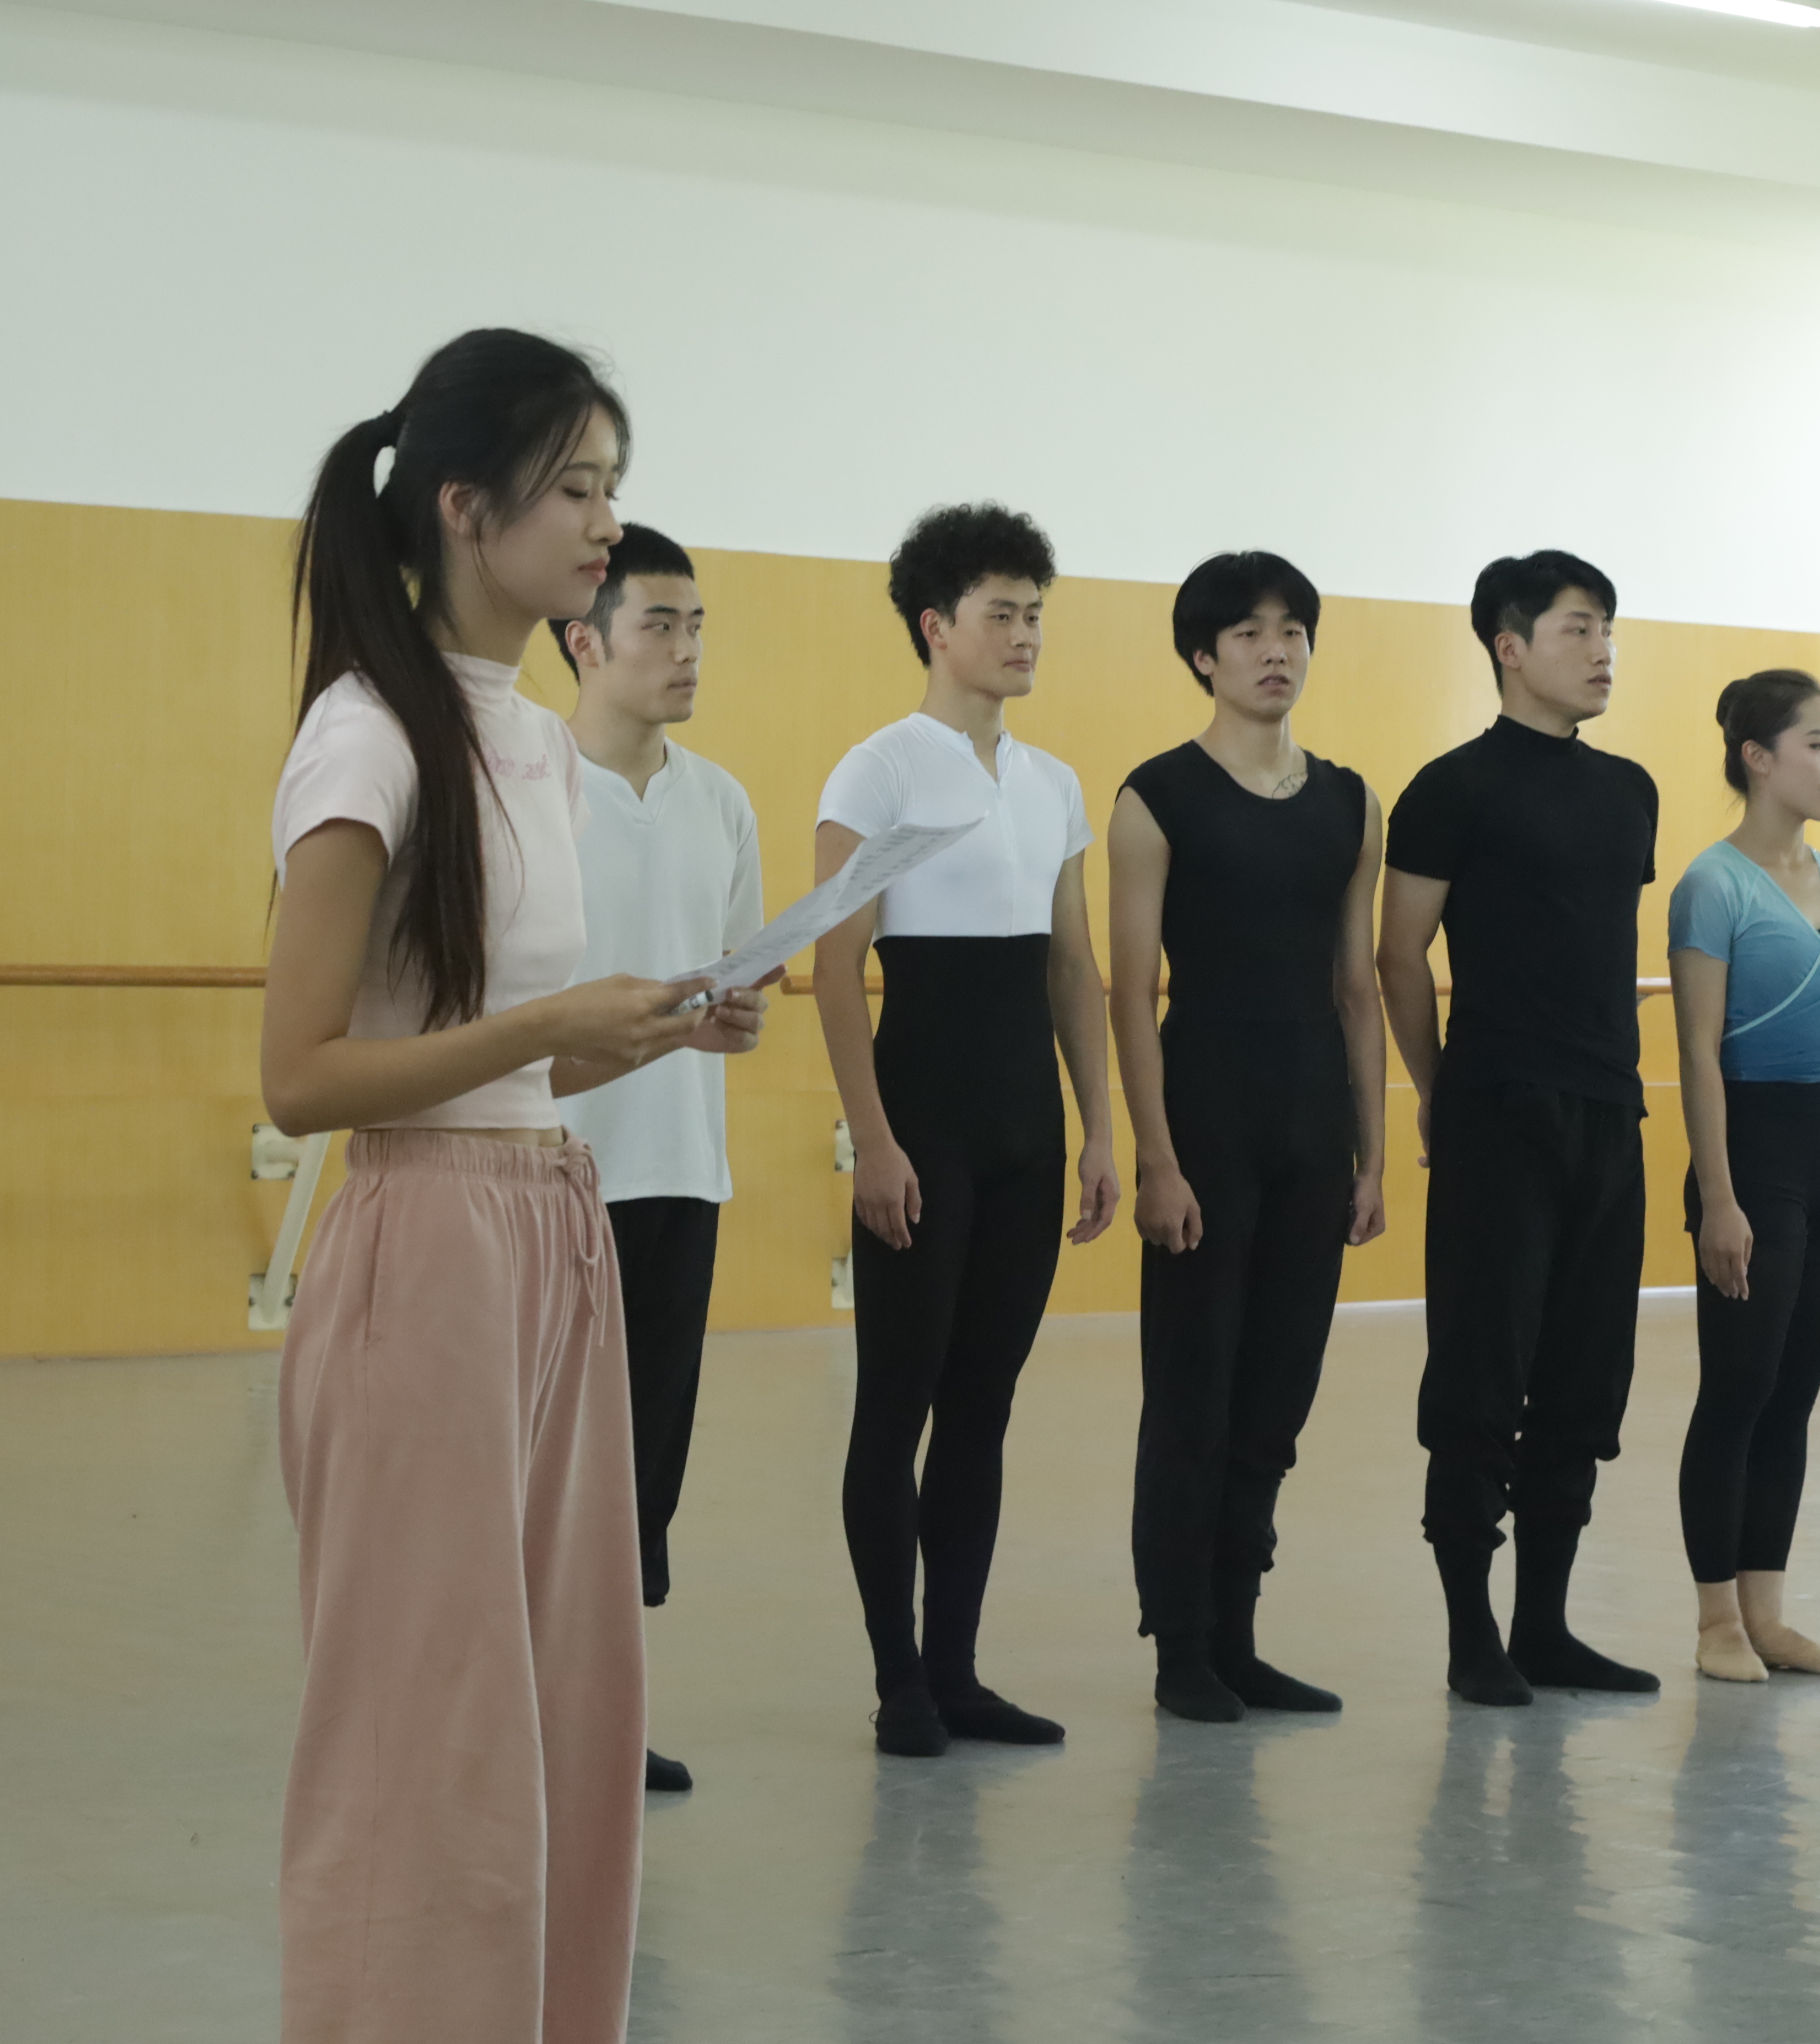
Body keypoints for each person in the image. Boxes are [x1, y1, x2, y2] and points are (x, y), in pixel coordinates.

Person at [261, 330, 765, 2044]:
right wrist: (554, 1024)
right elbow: (302, 1076)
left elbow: (508, 1066)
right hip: (423, 1251)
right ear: (465, 509)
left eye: (615, 488)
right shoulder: (366, 739)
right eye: (577, 490)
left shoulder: (536, 742)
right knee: (428, 1729)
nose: (607, 525)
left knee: (567, 1705)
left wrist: (647, 1030)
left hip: (549, 1230)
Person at [815, 501, 1121, 1757]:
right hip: (924, 1122)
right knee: (898, 1404)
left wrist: (1101, 1131)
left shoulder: (1054, 785)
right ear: (937, 626)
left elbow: (1073, 969)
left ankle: (958, 1671)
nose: (1027, 634)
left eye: (1037, 613)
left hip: (1023, 1131)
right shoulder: (879, 770)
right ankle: (898, 1679)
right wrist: (874, 1141)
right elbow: (837, 971)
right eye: (1004, 613)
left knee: (982, 1407)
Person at [1379, 550, 1664, 1709]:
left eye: (1609, 631)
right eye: (1578, 629)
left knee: (1585, 1378)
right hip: (1498, 1110)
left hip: (1609, 1110)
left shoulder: (1629, 791)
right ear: (1510, 646)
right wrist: (1437, 1088)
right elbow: (1400, 955)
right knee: (1482, 1376)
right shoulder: (1452, 788)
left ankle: (1544, 1625)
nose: (1603, 652)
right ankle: (1471, 1637)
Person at [1108, 550, 1388, 1723]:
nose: (1277, 652)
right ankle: (1180, 1646)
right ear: (1203, 657)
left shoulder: (1351, 802)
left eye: (1293, 632)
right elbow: (1132, 994)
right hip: (1207, 1115)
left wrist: (1373, 1155)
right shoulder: (1156, 798)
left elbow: (1357, 986)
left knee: (1277, 1393)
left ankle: (1238, 1633)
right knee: (1194, 1388)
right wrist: (1157, 1159)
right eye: (1250, 634)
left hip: (1313, 1120)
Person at [546, 522, 763, 1793]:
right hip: (552, 1175)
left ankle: (604, 1725)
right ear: (586, 641)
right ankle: (521, 1726)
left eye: (697, 629)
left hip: (682, 1174)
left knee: (642, 1472)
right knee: (546, 1468)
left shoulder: (720, 800)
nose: (686, 652)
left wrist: (734, 1019)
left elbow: (731, 988)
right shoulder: (529, 789)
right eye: (659, 627)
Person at [1669, 670, 1820, 1682]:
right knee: (1740, 1386)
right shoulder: (1712, 885)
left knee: (1798, 1390)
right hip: (1755, 1152)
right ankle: (1716, 1620)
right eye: (1817, 744)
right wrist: (1719, 1197)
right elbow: (1697, 1051)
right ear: (1757, 758)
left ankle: (1767, 1614)